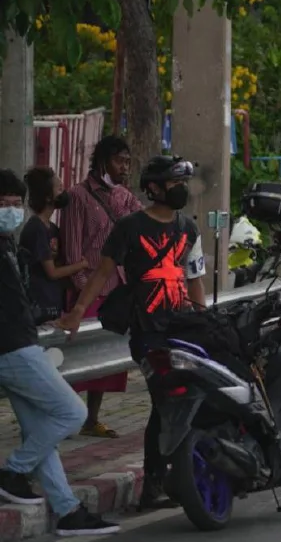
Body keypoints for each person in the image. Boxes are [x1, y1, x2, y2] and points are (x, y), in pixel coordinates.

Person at [59, 155, 207, 511]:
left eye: (181, 183)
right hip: (148, 332)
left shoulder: (188, 227)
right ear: (154, 188)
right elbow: (101, 273)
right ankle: (154, 482)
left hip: (182, 328)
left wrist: (204, 320)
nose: (180, 190)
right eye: (173, 183)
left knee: (188, 402)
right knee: (163, 403)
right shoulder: (129, 227)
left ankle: (180, 472)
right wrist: (78, 310)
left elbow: (195, 278)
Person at [0, 170, 121, 534]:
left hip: (23, 339)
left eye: (14, 204)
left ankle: (67, 511)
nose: (10, 210)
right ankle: (12, 472)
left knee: (40, 431)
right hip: (12, 348)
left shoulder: (7, 243)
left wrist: (42, 318)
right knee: (71, 413)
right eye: (2, 204)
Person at [59, 136, 142, 438]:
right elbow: (71, 249)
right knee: (75, 358)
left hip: (117, 287)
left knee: (105, 359)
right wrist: (83, 290)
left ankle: (91, 418)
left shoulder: (124, 196)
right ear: (104, 160)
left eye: (127, 161)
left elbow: (144, 219)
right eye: (120, 161)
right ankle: (65, 415)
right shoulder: (77, 196)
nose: (124, 167)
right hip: (88, 288)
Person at [20, 167, 88, 324]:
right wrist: (81, 265)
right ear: (47, 197)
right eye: (59, 189)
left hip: (52, 304)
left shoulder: (52, 228)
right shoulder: (36, 228)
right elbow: (52, 272)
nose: (64, 193)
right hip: (38, 307)